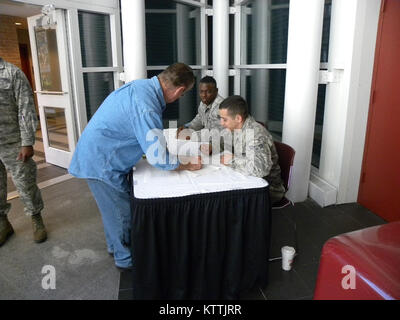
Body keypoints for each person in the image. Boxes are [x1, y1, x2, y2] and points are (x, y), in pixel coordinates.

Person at [68, 62, 202, 271]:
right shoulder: (146, 106)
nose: (179, 98)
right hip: (102, 163)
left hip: (97, 155)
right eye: (182, 96)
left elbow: (140, 135)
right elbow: (159, 157)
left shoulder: (142, 87)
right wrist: (185, 164)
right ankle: (126, 261)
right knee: (123, 214)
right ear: (179, 90)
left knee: (112, 211)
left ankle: (115, 247)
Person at [0, 57, 47, 246]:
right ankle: (3, 223)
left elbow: (25, 108)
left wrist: (27, 142)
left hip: (13, 142)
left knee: (25, 184)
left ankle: (37, 219)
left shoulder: (12, 73)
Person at [218, 95, 286, 204]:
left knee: (220, 199)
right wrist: (212, 145)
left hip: (266, 190)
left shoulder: (255, 135)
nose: (221, 123)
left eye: (224, 119)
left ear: (238, 118)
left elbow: (259, 170)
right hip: (246, 181)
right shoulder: (237, 127)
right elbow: (224, 142)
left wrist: (232, 160)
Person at [176, 76, 224, 154]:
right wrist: (187, 127)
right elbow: (199, 118)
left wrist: (191, 135)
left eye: (208, 92)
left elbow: (215, 133)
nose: (204, 95)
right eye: (201, 92)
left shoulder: (221, 107)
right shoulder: (204, 103)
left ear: (216, 91)